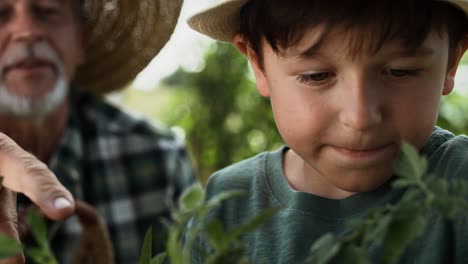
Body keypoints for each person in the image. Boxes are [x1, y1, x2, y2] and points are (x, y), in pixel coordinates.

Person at [187, 0, 468, 263]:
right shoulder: (225, 205)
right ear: (258, 65)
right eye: (316, 76)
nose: (359, 118)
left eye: (400, 71)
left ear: (451, 63)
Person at [0, 0, 195, 263]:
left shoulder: (158, 156)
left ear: (82, 40)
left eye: (48, 11)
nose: (27, 31)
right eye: (1, 15)